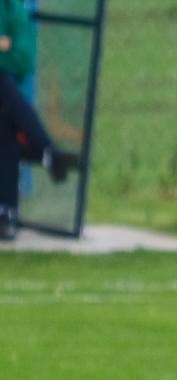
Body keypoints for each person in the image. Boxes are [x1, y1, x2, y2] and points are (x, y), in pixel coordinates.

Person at [1, 0, 78, 240]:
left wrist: (7, 49)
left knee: (5, 123)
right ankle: (47, 151)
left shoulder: (14, 8)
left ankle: (5, 213)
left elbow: (23, 60)